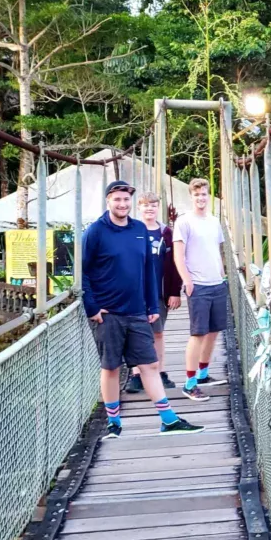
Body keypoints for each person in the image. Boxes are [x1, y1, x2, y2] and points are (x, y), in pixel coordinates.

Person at [82, 180, 204, 438]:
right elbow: (82, 270)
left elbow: (149, 269)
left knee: (149, 364)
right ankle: (114, 424)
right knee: (111, 367)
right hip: (108, 313)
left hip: (137, 311)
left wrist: (151, 304)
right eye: (117, 199)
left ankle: (168, 420)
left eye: (126, 200)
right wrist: (91, 306)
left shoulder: (138, 229)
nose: (122, 204)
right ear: (108, 201)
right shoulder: (95, 231)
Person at [173, 178, 228, 402]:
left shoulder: (214, 222)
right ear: (191, 197)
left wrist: (223, 274)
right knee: (198, 333)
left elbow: (218, 249)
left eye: (204, 194)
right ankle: (189, 383)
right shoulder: (184, 222)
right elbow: (178, 254)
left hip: (217, 283)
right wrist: (186, 281)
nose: (201, 198)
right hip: (198, 285)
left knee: (214, 331)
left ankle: (203, 374)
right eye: (197, 195)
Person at [125, 192, 182, 394]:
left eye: (153, 205)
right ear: (138, 208)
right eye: (145, 205)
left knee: (157, 332)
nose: (149, 209)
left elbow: (176, 263)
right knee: (134, 333)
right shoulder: (130, 230)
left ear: (158, 208)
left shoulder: (167, 233)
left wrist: (175, 291)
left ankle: (159, 371)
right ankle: (136, 375)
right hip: (134, 292)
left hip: (159, 290)